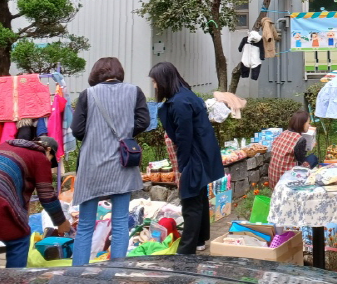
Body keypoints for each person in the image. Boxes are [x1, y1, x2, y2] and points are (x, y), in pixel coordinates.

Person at [71, 57, 150, 266]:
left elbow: (77, 130)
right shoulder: (135, 92)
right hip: (122, 164)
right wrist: (124, 134)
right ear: (120, 72)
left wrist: (96, 135)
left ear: (96, 73)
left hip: (92, 165)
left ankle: (78, 278)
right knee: (121, 223)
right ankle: (114, 274)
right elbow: (144, 121)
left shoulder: (88, 95)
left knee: (86, 226)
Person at [150, 62, 224, 255]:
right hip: (203, 154)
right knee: (199, 196)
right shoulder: (187, 96)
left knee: (190, 200)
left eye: (155, 81)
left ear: (164, 80)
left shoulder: (180, 103)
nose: (154, 86)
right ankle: (200, 239)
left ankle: (185, 251)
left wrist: (182, 167)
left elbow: (184, 137)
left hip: (194, 157)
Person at [0, 136, 71, 268]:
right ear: (48, 150)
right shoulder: (40, 157)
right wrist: (61, 222)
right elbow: (47, 196)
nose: (49, 164)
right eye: (51, 161)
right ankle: (14, 280)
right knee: (19, 240)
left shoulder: (5, 146)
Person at [269, 110, 318, 187]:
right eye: (308, 123)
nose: (309, 125)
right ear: (302, 124)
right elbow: (301, 160)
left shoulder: (284, 133)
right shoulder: (300, 139)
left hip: (274, 179)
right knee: (314, 158)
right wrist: (310, 146)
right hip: (286, 178)